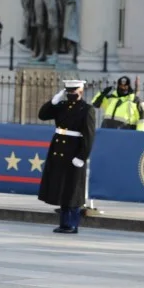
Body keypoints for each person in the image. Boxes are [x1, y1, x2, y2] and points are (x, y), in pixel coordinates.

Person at [37, 80, 96, 233]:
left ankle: (72, 224)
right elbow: (42, 115)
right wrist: (53, 102)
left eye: (73, 91)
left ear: (81, 91)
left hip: (74, 151)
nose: (70, 94)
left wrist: (82, 156)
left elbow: (89, 136)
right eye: (68, 91)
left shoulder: (86, 109)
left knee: (73, 189)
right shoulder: (61, 106)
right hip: (58, 150)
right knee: (62, 188)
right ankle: (64, 223)